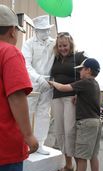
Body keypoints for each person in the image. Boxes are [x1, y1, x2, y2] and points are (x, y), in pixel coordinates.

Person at [0, 4, 39, 171]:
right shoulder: (9, 52)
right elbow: (16, 96)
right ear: (12, 31)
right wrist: (29, 135)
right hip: (4, 145)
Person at [49, 58, 102, 171]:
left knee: (81, 156)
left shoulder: (85, 82)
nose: (79, 72)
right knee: (93, 155)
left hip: (85, 124)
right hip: (96, 122)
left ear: (88, 70)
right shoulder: (95, 85)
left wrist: (52, 82)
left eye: (81, 69)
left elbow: (64, 88)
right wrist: (78, 96)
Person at [50, 32, 87, 171]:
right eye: (60, 46)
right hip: (56, 98)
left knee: (70, 131)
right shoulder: (55, 58)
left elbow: (91, 71)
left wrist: (80, 92)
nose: (62, 48)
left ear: (70, 44)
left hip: (71, 97)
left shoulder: (78, 57)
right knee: (60, 131)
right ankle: (68, 166)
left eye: (65, 45)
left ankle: (80, 170)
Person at [22, 15, 55, 155]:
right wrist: (38, 78)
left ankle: (40, 143)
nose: (46, 33)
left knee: (43, 114)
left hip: (48, 84)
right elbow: (26, 64)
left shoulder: (54, 43)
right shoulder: (28, 44)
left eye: (48, 30)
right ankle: (26, 143)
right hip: (32, 83)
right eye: (43, 30)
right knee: (28, 112)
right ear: (36, 30)